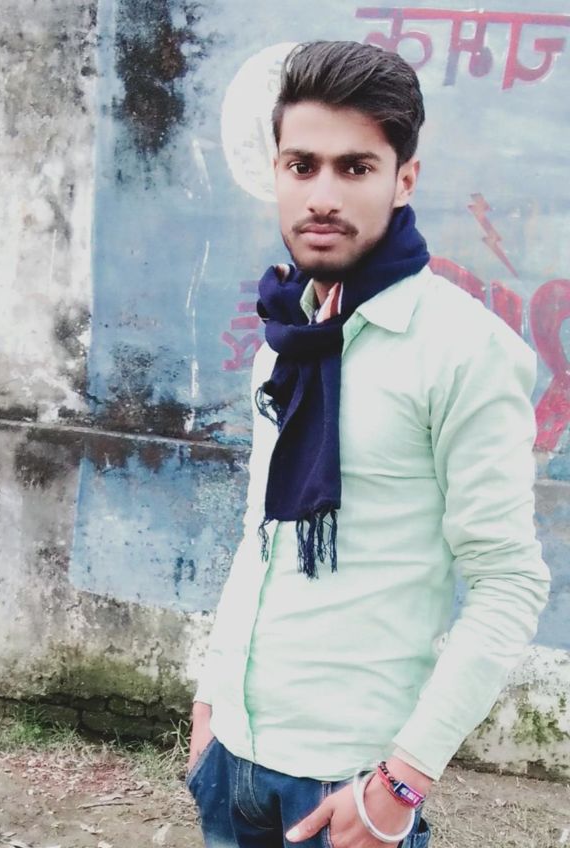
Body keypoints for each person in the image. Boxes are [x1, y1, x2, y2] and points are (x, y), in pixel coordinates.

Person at [187, 40, 550, 848]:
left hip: (346, 782)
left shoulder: (465, 351)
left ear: (403, 179)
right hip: (232, 764)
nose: (322, 195)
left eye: (355, 168)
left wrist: (401, 783)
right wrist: (212, 701)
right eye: (302, 165)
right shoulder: (287, 340)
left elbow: (508, 582)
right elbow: (260, 533)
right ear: (277, 171)